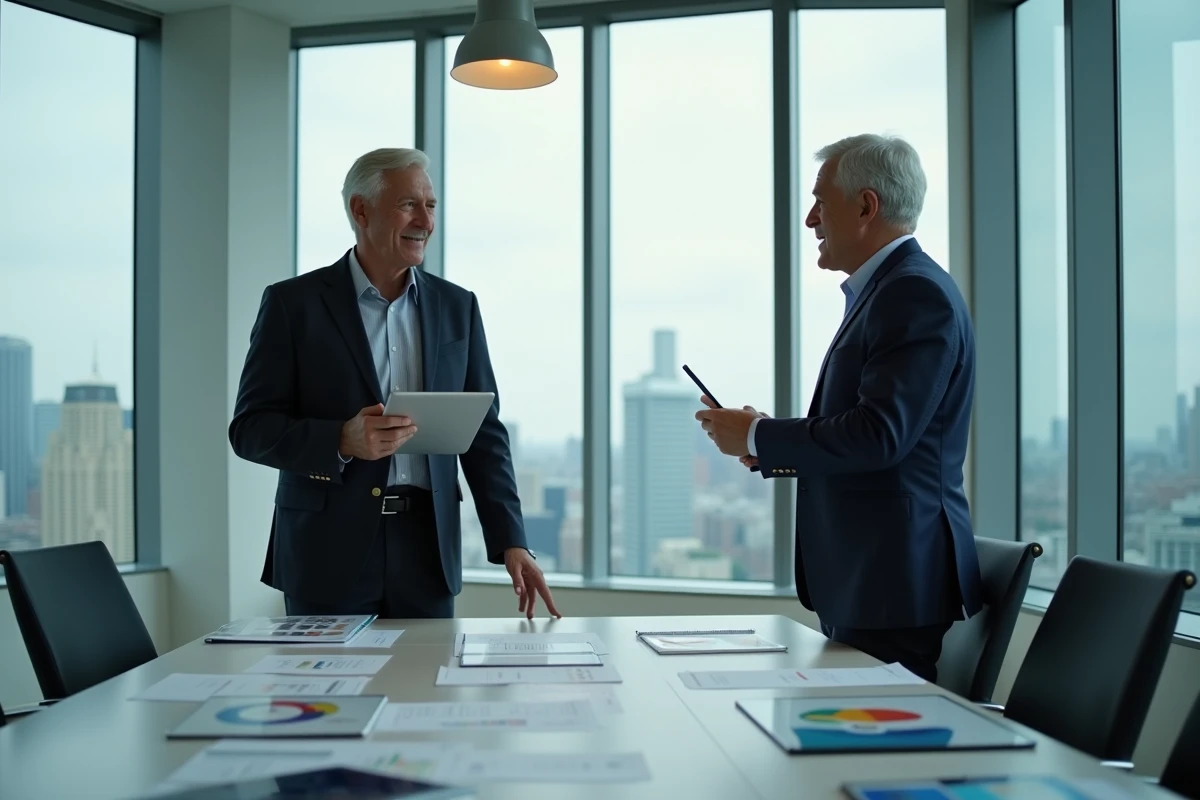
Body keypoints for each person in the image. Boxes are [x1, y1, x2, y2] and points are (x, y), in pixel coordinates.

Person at [695, 133, 982, 681]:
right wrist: (763, 440)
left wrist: (759, 435)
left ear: (866, 206)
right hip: (875, 581)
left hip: (889, 583)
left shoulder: (912, 294)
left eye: (820, 202)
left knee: (878, 759)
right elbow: (875, 430)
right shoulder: (890, 292)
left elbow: (880, 436)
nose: (810, 220)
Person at [229, 147, 559, 621]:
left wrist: (512, 540)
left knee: (427, 692)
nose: (424, 219)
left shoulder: (456, 307)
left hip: (428, 550)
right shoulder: (292, 304)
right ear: (360, 210)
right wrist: (342, 439)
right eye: (409, 204)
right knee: (329, 696)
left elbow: (484, 434)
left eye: (431, 205)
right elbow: (250, 429)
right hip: (325, 551)